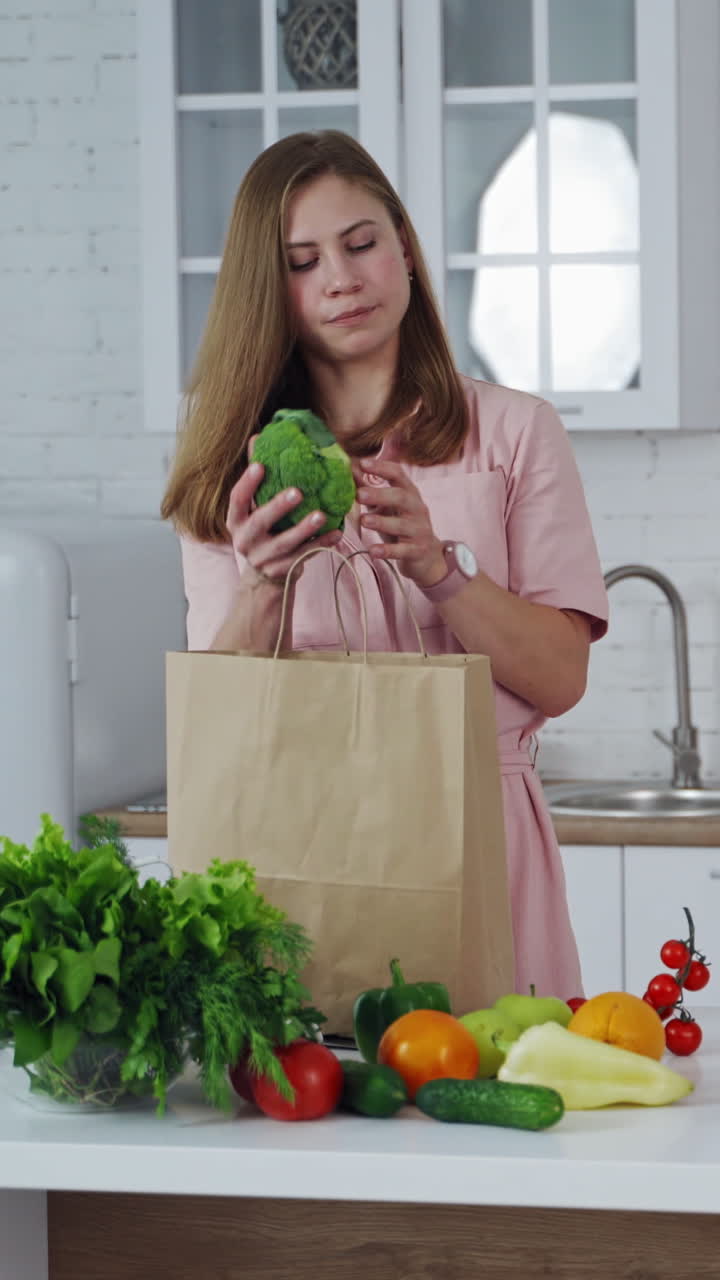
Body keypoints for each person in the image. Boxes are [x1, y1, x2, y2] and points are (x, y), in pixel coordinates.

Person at [161, 130, 608, 1000]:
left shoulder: (516, 433)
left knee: (501, 1101)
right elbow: (216, 728)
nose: (341, 278)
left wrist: (442, 569)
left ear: (403, 246)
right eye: (302, 261)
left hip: (481, 842)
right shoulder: (232, 466)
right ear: (271, 290)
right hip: (299, 848)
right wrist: (261, 586)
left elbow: (560, 676)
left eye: (361, 243)